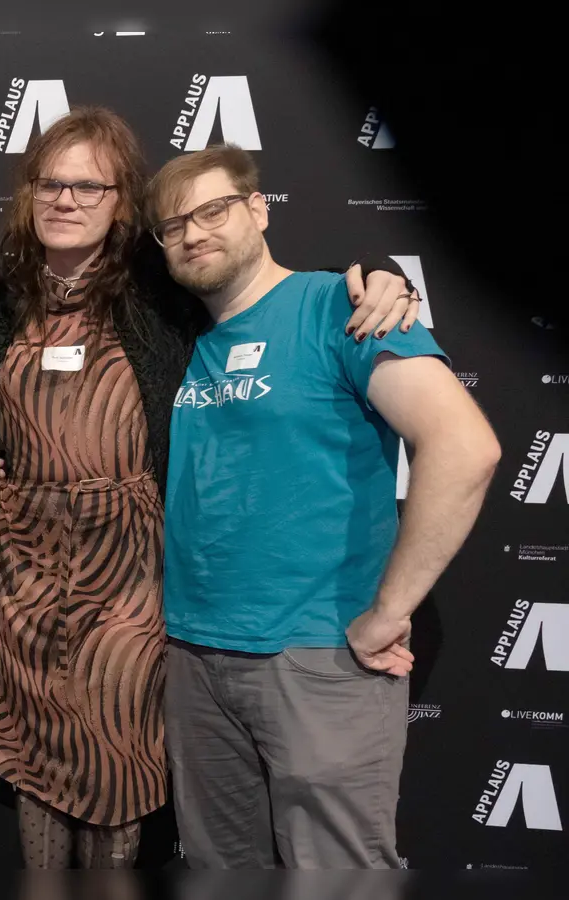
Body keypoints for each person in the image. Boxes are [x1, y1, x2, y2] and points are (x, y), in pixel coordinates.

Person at [0, 107, 424, 868]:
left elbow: (255, 290)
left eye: (88, 185)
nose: (65, 199)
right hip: (23, 560)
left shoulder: (160, 288)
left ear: (121, 205)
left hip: (130, 564)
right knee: (36, 751)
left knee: (115, 749)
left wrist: (382, 280)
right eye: (50, 182)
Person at [147, 145, 499, 868]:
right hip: (193, 655)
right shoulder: (179, 340)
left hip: (318, 655)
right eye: (173, 223)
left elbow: (465, 448)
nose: (192, 232)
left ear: (257, 208)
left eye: (212, 209)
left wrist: (390, 610)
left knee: (338, 876)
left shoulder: (339, 305)